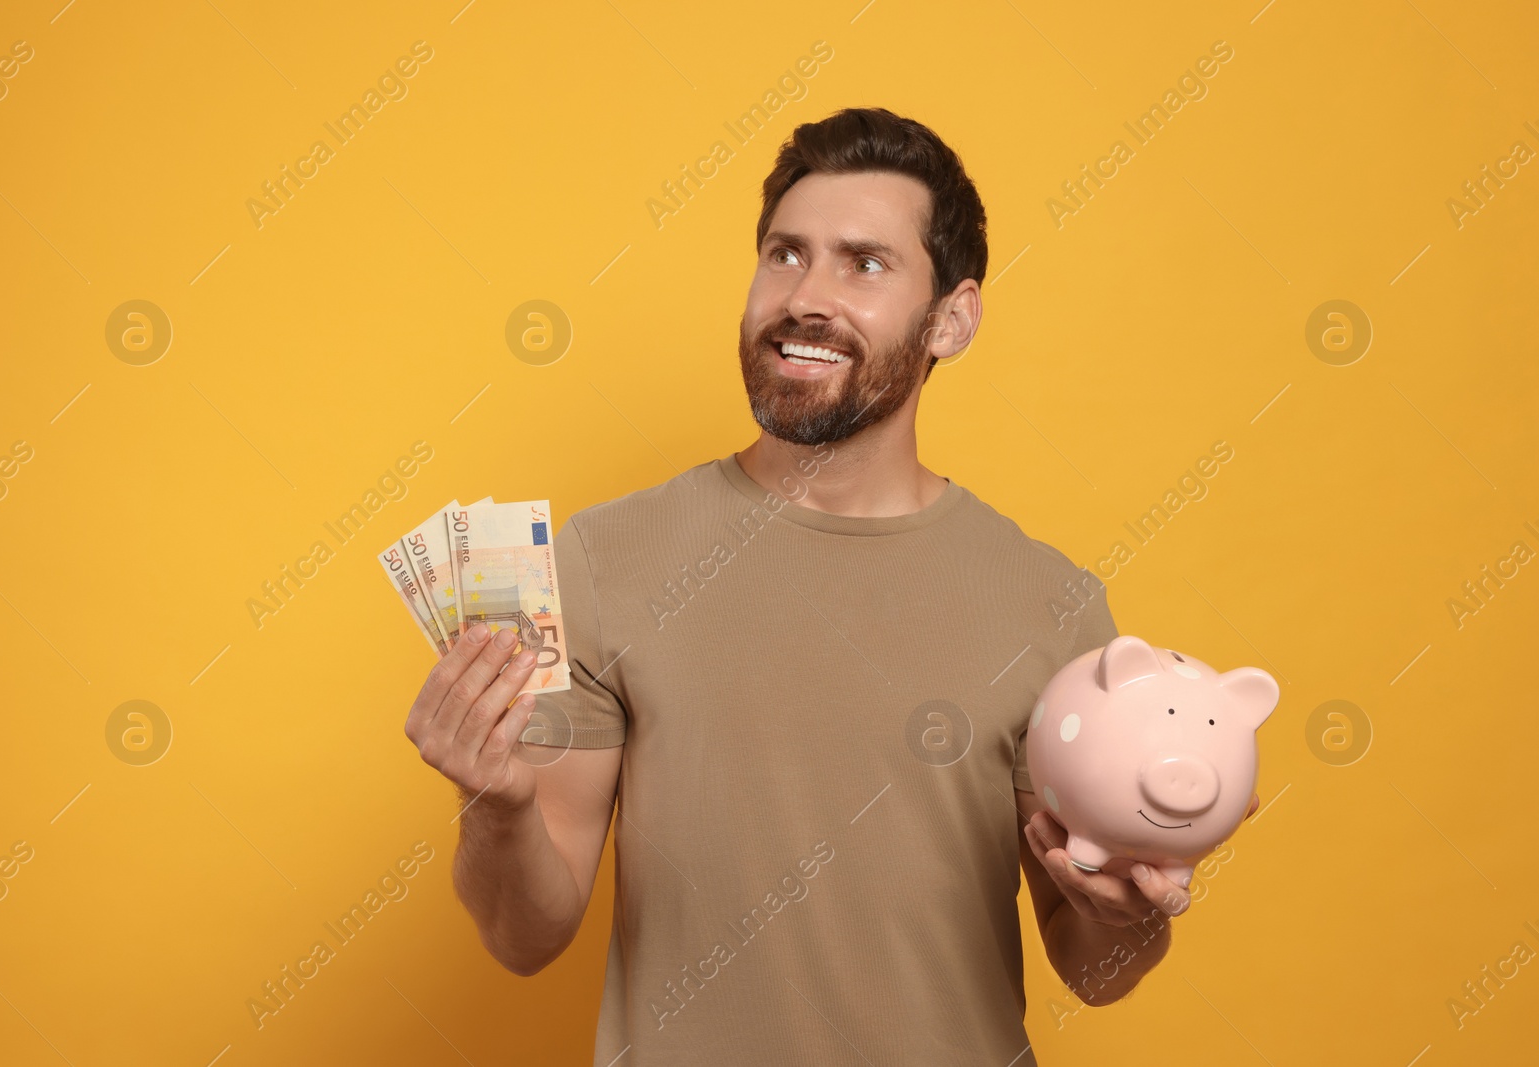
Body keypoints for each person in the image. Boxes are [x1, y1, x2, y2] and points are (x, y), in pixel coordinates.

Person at [403, 106, 1255, 1065]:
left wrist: (1128, 914)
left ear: (954, 318)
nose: (807, 297)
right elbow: (525, 936)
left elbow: (1094, 969)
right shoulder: (606, 559)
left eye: (865, 263)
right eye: (784, 254)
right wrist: (497, 804)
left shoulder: (1050, 603)